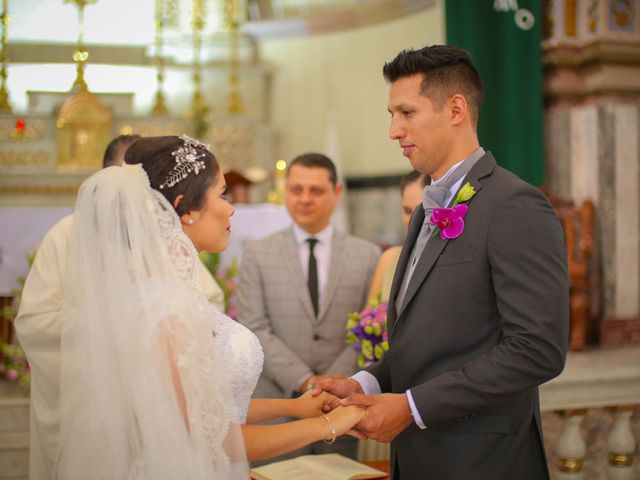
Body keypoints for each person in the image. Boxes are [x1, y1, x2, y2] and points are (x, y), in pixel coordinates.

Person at [315, 45, 569, 479]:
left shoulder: (515, 205)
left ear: (455, 109)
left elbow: (537, 349)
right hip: (417, 458)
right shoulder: (426, 210)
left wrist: (412, 408)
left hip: (482, 462)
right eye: (391, 115)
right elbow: (430, 342)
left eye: (406, 112)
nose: (394, 130)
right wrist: (367, 382)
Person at [54, 135, 364, 479]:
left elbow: (207, 406)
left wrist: (294, 407)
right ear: (187, 209)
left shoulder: (170, 290)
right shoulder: (166, 310)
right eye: (222, 194)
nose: (231, 208)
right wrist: (326, 426)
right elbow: (210, 439)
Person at [15, 134, 142, 480]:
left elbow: (205, 299)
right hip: (81, 404)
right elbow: (34, 322)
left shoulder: (159, 237)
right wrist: (106, 322)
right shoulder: (66, 235)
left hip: (145, 404)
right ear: (103, 178)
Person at [237, 153, 380, 459]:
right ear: (286, 190)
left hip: (343, 410)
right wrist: (307, 381)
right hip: (278, 409)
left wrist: (335, 384)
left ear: (336, 193)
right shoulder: (257, 254)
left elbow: (370, 329)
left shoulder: (367, 255)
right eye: (296, 189)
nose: (305, 199)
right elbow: (255, 328)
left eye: (315, 191)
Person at [367, 170, 427, 303]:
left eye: (420, 210)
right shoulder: (389, 259)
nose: (413, 218)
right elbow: (367, 318)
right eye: (407, 211)